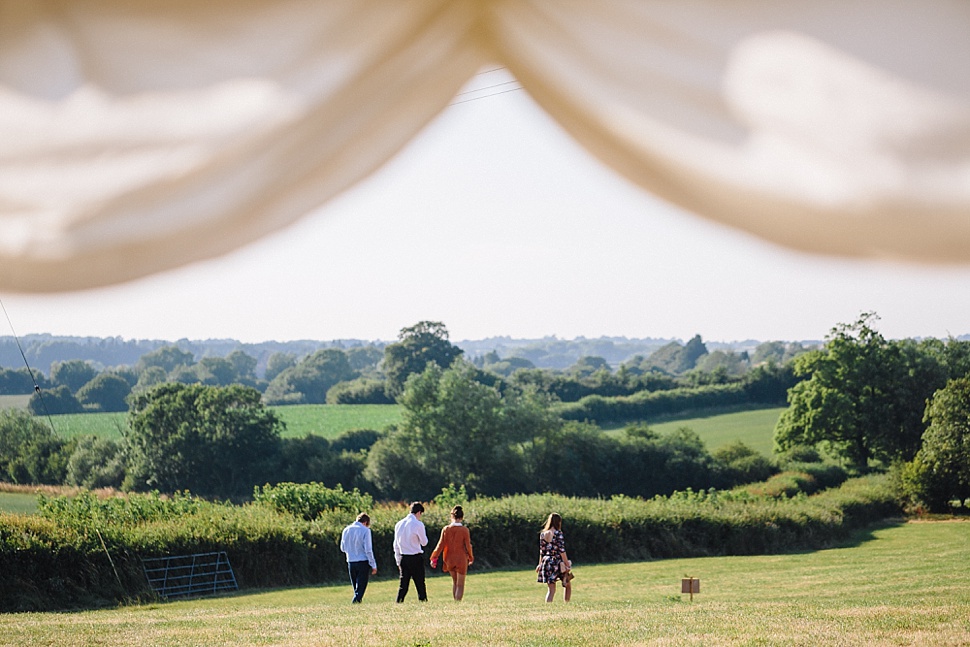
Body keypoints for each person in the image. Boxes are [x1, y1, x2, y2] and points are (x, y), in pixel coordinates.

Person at [429, 505, 475, 601]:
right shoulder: (464, 530)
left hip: (449, 559)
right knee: (460, 584)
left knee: (455, 582)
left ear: (452, 516)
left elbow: (440, 545)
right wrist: (471, 557)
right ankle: (457, 603)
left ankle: (455, 601)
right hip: (461, 559)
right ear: (462, 517)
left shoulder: (446, 529)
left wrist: (434, 557)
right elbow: (468, 545)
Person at [393, 501, 429, 602]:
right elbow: (424, 542)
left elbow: (395, 544)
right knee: (420, 583)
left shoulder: (399, 524)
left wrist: (397, 559)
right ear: (419, 512)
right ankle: (423, 601)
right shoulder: (418, 524)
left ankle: (399, 601)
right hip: (415, 557)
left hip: (403, 557)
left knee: (403, 584)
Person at [339, 512, 377, 603]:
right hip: (362, 561)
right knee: (361, 587)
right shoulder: (365, 530)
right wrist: (373, 564)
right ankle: (355, 602)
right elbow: (368, 549)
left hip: (351, 561)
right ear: (366, 522)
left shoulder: (346, 530)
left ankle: (357, 604)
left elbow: (342, 548)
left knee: (356, 587)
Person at [536, 512, 572, 603]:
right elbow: (561, 550)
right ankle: (567, 603)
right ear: (558, 522)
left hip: (547, 561)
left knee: (551, 590)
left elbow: (542, 551)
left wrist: (540, 564)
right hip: (557, 562)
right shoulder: (558, 533)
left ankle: (548, 608)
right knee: (567, 583)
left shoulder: (543, 534)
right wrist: (567, 564)